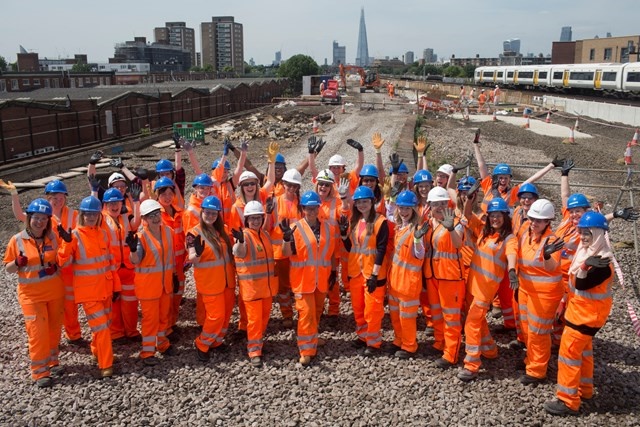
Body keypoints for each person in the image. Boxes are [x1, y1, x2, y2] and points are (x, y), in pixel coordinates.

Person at [544, 212, 613, 415]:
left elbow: (582, 282)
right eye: (582, 232)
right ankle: (585, 389)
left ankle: (568, 400)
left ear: (599, 234)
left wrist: (584, 266)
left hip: (584, 318)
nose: (583, 237)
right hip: (584, 315)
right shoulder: (590, 253)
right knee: (584, 354)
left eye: (588, 233)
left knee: (569, 356)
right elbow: (576, 286)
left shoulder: (601, 262)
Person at [0, 179, 84, 346]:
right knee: (56, 303)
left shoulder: (73, 214)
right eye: (54, 197)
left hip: (68, 263)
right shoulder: (43, 214)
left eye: (61, 197)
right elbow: (20, 216)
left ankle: (73, 334)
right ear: (47, 197)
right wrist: (15, 195)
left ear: (65, 198)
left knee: (70, 303)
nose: (58, 201)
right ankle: (52, 337)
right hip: (51, 264)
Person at [4, 198, 64, 388]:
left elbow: (61, 259)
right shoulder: (17, 240)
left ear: (48, 221)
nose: (40, 222)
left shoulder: (52, 237)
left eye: (44, 219)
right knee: (38, 333)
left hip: (54, 292)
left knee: (53, 330)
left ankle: (53, 362)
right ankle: (40, 372)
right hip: (31, 296)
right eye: (36, 218)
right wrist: (17, 263)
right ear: (29, 218)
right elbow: (8, 268)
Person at [57, 196, 118, 378]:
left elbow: (110, 262)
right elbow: (62, 262)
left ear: (99, 215)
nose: (91, 217)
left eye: (94, 214)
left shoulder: (103, 234)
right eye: (87, 214)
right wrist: (66, 244)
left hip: (105, 288)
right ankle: (106, 364)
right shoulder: (74, 235)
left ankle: (96, 350)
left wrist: (116, 286)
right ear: (82, 215)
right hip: (89, 292)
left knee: (105, 324)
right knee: (102, 329)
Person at [457, 198, 517, 381]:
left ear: (505, 217)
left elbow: (512, 253)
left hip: (486, 289)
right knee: (477, 319)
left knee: (472, 322)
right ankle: (490, 350)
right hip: (473, 284)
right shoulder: (485, 232)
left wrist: (512, 270)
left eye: (498, 216)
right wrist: (469, 200)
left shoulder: (509, 238)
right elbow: (467, 215)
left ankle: (472, 364)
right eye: (492, 216)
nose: (495, 219)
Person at [282, 191, 339, 366]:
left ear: (318, 208)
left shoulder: (328, 229)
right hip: (303, 281)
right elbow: (286, 253)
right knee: (306, 314)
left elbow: (330, 254)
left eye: (314, 208)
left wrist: (333, 272)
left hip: (321, 280)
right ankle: (306, 350)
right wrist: (286, 239)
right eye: (308, 208)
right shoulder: (294, 228)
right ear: (303, 209)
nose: (312, 211)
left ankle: (313, 338)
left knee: (316, 311)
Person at [516, 199, 564, 385]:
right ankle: (531, 359)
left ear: (548, 222)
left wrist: (547, 255)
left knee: (539, 332)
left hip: (545, 295)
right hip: (526, 290)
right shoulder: (525, 234)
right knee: (528, 329)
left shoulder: (553, 241)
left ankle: (537, 370)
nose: (534, 223)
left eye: (539, 220)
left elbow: (553, 267)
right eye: (532, 219)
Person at [341, 186, 390, 356]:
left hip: (372, 274)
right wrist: (343, 235)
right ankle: (362, 336)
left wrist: (375, 274)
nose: (362, 205)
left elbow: (381, 249)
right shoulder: (355, 222)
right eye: (359, 202)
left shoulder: (380, 221)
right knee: (358, 308)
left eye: (365, 201)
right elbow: (351, 248)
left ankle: (373, 342)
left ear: (372, 202)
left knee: (373, 310)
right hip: (356, 272)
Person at [187, 196, 236, 362]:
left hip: (227, 281)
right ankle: (202, 343)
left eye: (214, 213)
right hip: (210, 283)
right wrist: (197, 254)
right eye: (207, 212)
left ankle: (216, 341)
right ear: (202, 212)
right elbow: (192, 257)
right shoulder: (193, 233)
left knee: (226, 314)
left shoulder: (223, 231)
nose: (210, 216)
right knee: (215, 316)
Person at [423, 187, 466, 369]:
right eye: (436, 204)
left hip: (450, 278)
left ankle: (451, 353)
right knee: (436, 313)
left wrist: (450, 229)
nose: (440, 206)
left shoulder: (456, 222)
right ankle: (439, 343)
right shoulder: (429, 223)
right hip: (432, 276)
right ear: (430, 205)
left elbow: (458, 244)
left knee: (451, 318)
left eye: (443, 203)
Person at [129, 199, 176, 366]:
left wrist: (175, 276)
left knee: (164, 317)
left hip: (165, 285)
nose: (155, 218)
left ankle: (162, 344)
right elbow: (135, 261)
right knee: (150, 320)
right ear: (144, 219)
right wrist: (133, 249)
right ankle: (147, 351)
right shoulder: (140, 237)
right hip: (148, 287)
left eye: (157, 214)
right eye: (151, 216)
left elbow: (170, 257)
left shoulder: (169, 232)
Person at [232, 201, 277, 367]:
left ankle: (259, 342)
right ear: (246, 220)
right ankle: (254, 351)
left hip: (266, 288)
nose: (256, 221)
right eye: (252, 218)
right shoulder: (244, 236)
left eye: (258, 218)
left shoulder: (264, 235)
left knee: (264, 319)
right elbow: (239, 252)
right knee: (255, 321)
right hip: (252, 289)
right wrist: (240, 242)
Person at [387, 190, 427, 359]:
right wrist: (390, 199)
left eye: (407, 209)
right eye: (401, 208)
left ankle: (409, 345)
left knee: (407, 317)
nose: (403, 212)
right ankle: (399, 339)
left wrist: (418, 241)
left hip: (409, 283)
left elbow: (420, 254)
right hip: (396, 281)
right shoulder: (399, 227)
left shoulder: (416, 230)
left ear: (413, 211)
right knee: (395, 314)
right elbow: (388, 214)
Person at [101, 186, 142, 343]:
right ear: (105, 205)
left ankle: (131, 331)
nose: (114, 206)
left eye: (117, 202)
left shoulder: (125, 217)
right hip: (112, 269)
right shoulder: (102, 220)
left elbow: (136, 222)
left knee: (131, 302)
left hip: (128, 267)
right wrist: (93, 191)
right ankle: (116, 333)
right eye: (110, 203)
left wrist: (137, 202)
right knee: (114, 303)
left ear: (122, 202)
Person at [270, 169, 304, 329]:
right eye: (288, 184)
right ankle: (287, 314)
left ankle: (302, 313)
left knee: (298, 284)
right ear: (283, 184)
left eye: (294, 185)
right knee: (283, 287)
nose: (291, 188)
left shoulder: (302, 203)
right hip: (280, 252)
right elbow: (267, 227)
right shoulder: (275, 202)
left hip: (297, 251)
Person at [153, 177, 186, 334]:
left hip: (179, 263)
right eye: (163, 194)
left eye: (169, 193)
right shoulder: (155, 216)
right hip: (165, 265)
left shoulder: (179, 213)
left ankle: (172, 324)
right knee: (166, 298)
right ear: (157, 195)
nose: (167, 197)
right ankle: (165, 329)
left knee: (177, 294)